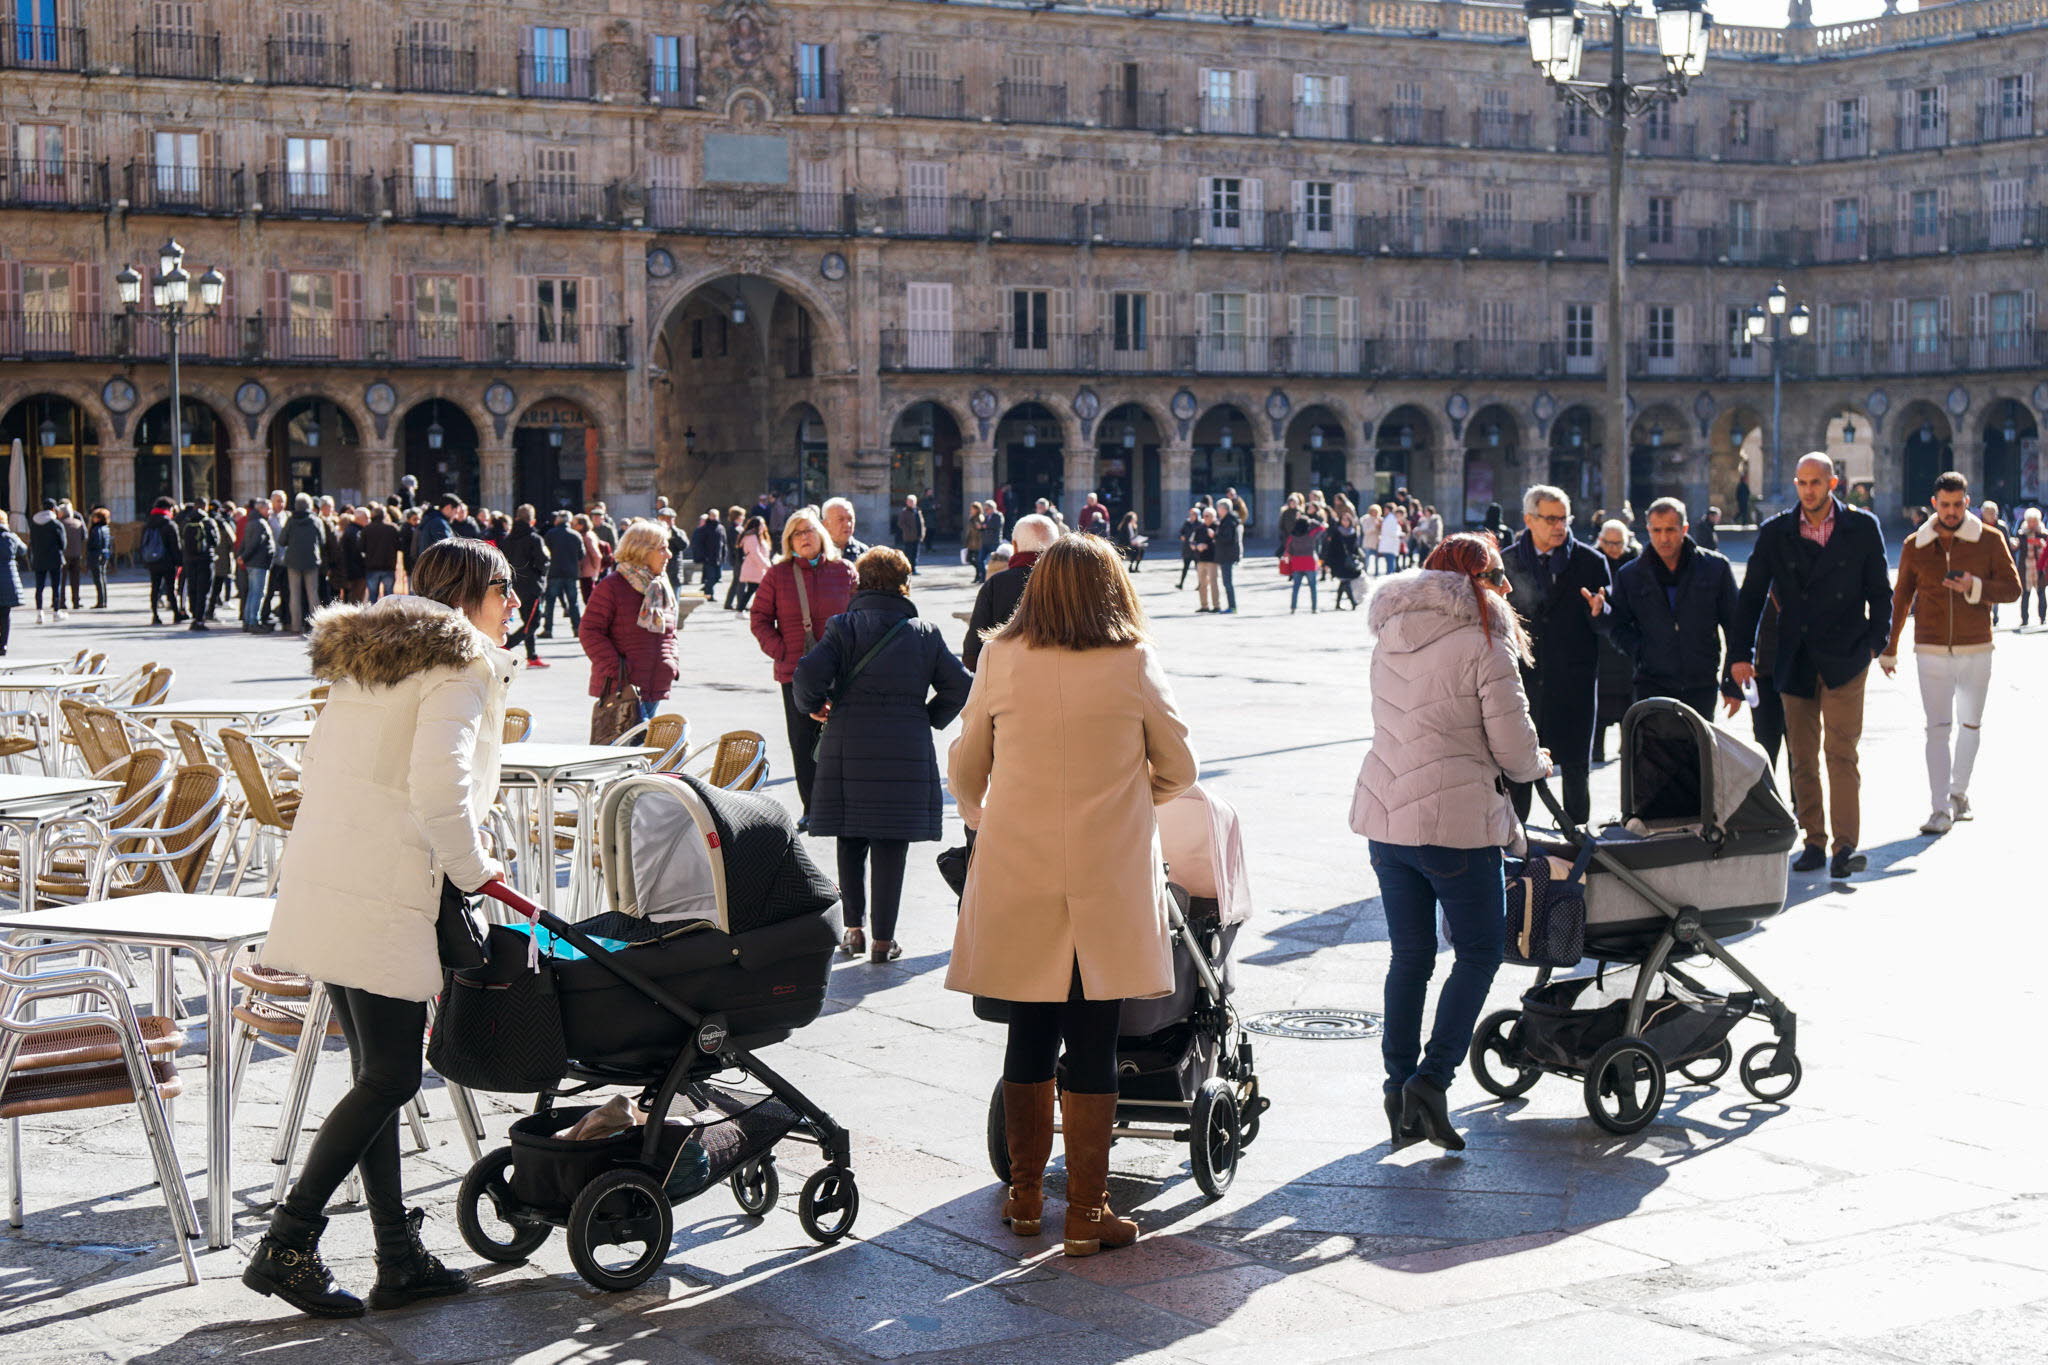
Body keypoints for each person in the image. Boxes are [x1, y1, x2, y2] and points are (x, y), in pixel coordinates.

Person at [246, 537, 517, 1318]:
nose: (515, 607)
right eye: (506, 590)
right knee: (393, 1076)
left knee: (378, 1073)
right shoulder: (459, 661)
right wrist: (476, 870)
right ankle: (289, 1242)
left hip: (333, 874)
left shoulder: (376, 653)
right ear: (474, 591)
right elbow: (440, 786)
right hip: (385, 885)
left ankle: (397, 1255)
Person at [947, 534, 1197, 1257]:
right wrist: (1125, 800)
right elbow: (1179, 767)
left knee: (1027, 1028)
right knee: (1094, 1035)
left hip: (1019, 863)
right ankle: (1087, 1210)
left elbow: (966, 768)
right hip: (1107, 871)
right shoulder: (1133, 661)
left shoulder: (999, 657)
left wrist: (989, 816)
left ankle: (1026, 1198)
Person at [1352, 532, 1548, 1152]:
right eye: (1498, 577)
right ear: (1481, 580)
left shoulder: (1391, 633)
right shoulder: (1485, 644)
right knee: (1480, 950)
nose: (1505, 589)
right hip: (1454, 825)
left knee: (1409, 957)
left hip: (1387, 819)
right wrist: (1538, 763)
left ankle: (1396, 1084)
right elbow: (1515, 753)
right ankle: (1433, 1081)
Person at [794, 546, 972, 963]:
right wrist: (926, 716)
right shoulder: (924, 633)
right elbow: (961, 686)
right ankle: (883, 940)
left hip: (848, 744)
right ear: (903, 583)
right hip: (903, 747)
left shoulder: (842, 627)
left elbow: (806, 674)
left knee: (850, 835)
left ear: (861, 581)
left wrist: (815, 706)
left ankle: (853, 931)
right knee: (891, 841)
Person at [1732, 453, 1892, 880]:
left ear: (1833, 483)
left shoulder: (1861, 527)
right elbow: (1750, 597)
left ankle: (1845, 846)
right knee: (1801, 757)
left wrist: (1877, 641)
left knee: (1841, 752)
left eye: (1816, 482)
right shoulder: (1775, 532)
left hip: (1846, 655)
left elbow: (1880, 588)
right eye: (1801, 482)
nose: (1808, 490)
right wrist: (1739, 655)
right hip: (1796, 654)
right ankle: (1814, 840)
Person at [1879, 472, 2020, 835]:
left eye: (1958, 505)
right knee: (1937, 729)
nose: (1952, 511)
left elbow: (2013, 589)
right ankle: (1939, 808)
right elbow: (1901, 598)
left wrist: (1975, 586)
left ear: (1967, 503)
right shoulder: (1915, 544)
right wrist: (1890, 648)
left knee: (1970, 725)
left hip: (1977, 646)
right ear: (1934, 504)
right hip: (1931, 646)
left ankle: (1959, 793)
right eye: (1945, 505)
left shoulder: (1988, 540)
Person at [1500, 486, 1611, 827]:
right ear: (1529, 520)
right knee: (1518, 767)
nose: (1559, 526)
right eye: (1551, 519)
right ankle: (1515, 842)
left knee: (1576, 767)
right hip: (1523, 682)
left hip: (1572, 681)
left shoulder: (1591, 562)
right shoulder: (1506, 562)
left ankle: (1576, 838)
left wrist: (1600, 611)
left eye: (1564, 518)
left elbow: (1612, 621)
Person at [750, 508, 857, 827]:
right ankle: (812, 808)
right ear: (789, 542)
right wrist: (781, 651)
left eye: (809, 530)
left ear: (821, 534)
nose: (804, 537)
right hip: (795, 672)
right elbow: (759, 619)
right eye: (797, 533)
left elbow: (859, 614)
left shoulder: (845, 570)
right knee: (803, 740)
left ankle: (841, 805)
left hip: (841, 670)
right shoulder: (777, 574)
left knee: (842, 740)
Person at [1591, 498, 1741, 717]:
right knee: (1653, 749)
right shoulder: (1630, 575)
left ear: (1684, 529)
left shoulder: (1715, 568)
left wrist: (1732, 682)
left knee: (1698, 749)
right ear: (1648, 530)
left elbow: (1735, 626)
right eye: (1657, 530)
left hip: (1701, 682)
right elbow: (1617, 624)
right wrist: (1639, 650)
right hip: (1651, 682)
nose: (1664, 538)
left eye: (1670, 530)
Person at [579, 522, 681, 726]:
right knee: (623, 752)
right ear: (642, 551)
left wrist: (671, 661)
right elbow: (589, 631)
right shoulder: (612, 586)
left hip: (655, 684)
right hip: (622, 689)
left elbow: (670, 632)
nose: (669, 554)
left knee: (642, 753)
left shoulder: (660, 586)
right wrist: (619, 670)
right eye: (662, 548)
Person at [961, 512, 1054, 668]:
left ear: (1015, 546)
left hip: (1009, 680)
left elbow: (972, 652)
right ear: (1056, 545)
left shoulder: (996, 584)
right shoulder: (1071, 582)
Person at [1590, 520, 1637, 762]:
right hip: (1600, 640)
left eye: (1618, 543)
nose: (1613, 548)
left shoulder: (1636, 561)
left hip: (1625, 637)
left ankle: (1626, 745)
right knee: (1602, 698)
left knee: (1628, 696)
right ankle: (1596, 747)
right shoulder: (1592, 560)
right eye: (1608, 542)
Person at [501, 505, 551, 668]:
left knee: (527, 620)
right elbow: (543, 562)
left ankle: (532, 655)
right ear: (532, 520)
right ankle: (506, 646)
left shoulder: (508, 539)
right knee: (533, 623)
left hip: (515, 587)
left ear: (516, 519)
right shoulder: (534, 539)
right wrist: (542, 574)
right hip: (531, 586)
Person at [281, 493, 325, 635]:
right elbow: (322, 540)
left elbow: (282, 540)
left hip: (293, 561)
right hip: (311, 560)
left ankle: (296, 625)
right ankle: (316, 626)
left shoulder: (290, 520)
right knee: (313, 594)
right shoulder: (315, 520)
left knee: (294, 594)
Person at [177, 501, 220, 632]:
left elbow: (181, 540)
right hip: (206, 560)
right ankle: (200, 619)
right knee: (204, 590)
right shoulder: (209, 522)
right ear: (205, 507)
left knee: (193, 588)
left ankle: (194, 616)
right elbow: (216, 541)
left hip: (189, 560)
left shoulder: (185, 522)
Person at [540, 510, 585, 633]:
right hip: (571, 573)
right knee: (573, 602)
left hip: (554, 572)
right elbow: (581, 555)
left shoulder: (550, 534)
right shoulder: (576, 535)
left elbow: (544, 552)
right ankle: (577, 628)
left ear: (558, 520)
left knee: (550, 603)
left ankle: (548, 629)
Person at [140, 496, 182, 624]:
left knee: (155, 587)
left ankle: (155, 615)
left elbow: (143, 543)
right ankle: (176, 613)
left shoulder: (147, 524)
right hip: (167, 561)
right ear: (169, 508)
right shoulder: (169, 524)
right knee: (170, 588)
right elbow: (175, 545)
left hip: (152, 561)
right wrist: (179, 561)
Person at [239, 499, 277, 633]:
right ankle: (253, 621)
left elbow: (245, 542)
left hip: (254, 563)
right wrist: (243, 556)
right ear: (261, 509)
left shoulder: (252, 521)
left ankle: (248, 620)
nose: (270, 511)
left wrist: (242, 556)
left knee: (252, 593)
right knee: (257, 593)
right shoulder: (259, 523)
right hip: (258, 563)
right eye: (268, 509)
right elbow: (254, 543)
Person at [29, 499, 64, 623]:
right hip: (55, 558)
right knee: (56, 586)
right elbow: (63, 544)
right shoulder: (56, 524)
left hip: (39, 558)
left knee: (39, 587)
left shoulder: (34, 523)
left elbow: (31, 542)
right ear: (53, 509)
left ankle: (39, 613)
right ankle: (56, 612)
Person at [1324, 508, 1365, 610]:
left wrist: (1358, 558)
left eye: (1347, 520)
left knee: (1344, 582)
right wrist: (1327, 563)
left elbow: (1356, 548)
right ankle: (1353, 603)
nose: (1345, 522)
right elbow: (1331, 548)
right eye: (1343, 520)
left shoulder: (1353, 532)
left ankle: (1338, 604)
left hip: (1350, 560)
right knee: (1345, 581)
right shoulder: (1336, 532)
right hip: (1339, 561)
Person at [1280, 516, 1321, 613]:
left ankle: (1293, 608)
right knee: (1313, 587)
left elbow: (1288, 550)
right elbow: (1322, 527)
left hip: (1297, 563)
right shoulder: (1311, 535)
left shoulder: (1292, 537)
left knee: (1296, 587)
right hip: (1309, 563)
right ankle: (1314, 608)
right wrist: (1312, 521)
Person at [361, 503, 401, 602]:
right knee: (389, 597)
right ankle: (387, 617)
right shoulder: (392, 528)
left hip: (372, 567)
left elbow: (361, 547)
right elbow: (399, 546)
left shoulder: (367, 529)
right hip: (389, 566)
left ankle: (374, 617)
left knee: (373, 597)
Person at [2016, 507, 2048, 628]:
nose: (2032, 524)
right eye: (2030, 521)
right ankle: (2024, 619)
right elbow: (2017, 547)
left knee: (2041, 592)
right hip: (2026, 568)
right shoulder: (2021, 534)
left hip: (2039, 568)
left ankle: (2043, 617)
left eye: (2034, 521)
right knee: (2025, 594)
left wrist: (2042, 545)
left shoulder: (2044, 534)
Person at [734, 515, 772, 611]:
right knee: (757, 590)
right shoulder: (752, 537)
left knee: (753, 590)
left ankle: (742, 609)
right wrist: (767, 565)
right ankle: (743, 609)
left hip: (758, 569)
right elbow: (755, 554)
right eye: (762, 524)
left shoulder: (758, 536)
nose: (764, 526)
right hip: (755, 568)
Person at [1213, 497, 1242, 612]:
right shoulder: (1226, 520)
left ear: (1224, 509)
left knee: (1227, 582)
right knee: (1226, 582)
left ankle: (1232, 606)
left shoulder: (1228, 521)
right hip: (1226, 554)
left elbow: (1227, 539)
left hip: (1227, 555)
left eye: (1219, 508)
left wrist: (1214, 536)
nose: (1217, 510)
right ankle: (1231, 606)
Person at [820, 496, 868, 563]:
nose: (847, 524)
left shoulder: (864, 553)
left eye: (850, 519)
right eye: (840, 519)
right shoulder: (816, 552)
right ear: (825, 524)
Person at [1191, 508, 1222, 612]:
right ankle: (1204, 605)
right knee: (1202, 583)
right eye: (1204, 516)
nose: (1205, 518)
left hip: (1213, 559)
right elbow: (1192, 541)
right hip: (1200, 559)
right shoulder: (1200, 528)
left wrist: (1208, 545)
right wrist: (1197, 546)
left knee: (1213, 582)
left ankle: (1216, 605)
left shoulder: (1217, 527)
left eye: (1208, 516)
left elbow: (1221, 542)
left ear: (1213, 517)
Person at [0, 513, 21, 653]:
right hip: (8, 579)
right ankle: (3, 644)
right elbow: (23, 549)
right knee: (5, 614)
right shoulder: (11, 537)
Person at [58, 501, 85, 611]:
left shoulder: (59, 524)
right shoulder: (79, 523)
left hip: (64, 555)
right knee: (76, 579)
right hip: (77, 554)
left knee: (62, 580)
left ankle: (62, 601)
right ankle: (76, 601)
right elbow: (84, 536)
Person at [85, 507, 113, 610]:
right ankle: (103, 600)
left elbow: (95, 543)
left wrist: (90, 551)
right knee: (103, 578)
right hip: (104, 554)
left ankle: (100, 601)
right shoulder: (106, 528)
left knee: (98, 579)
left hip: (96, 555)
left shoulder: (96, 529)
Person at [895, 495, 926, 573]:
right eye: (910, 501)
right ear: (907, 502)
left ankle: (914, 568)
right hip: (909, 537)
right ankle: (907, 569)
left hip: (918, 536)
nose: (911, 503)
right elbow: (900, 523)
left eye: (913, 501)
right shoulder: (904, 512)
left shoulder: (918, 511)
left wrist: (923, 532)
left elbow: (921, 523)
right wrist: (908, 531)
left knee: (915, 553)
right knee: (909, 553)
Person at [1375, 503, 1406, 576]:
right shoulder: (1391, 519)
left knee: (1390, 566)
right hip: (1389, 546)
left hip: (1389, 546)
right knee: (1391, 568)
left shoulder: (1390, 518)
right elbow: (1392, 533)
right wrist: (1401, 534)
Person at [1176, 507, 1202, 589]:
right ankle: (1181, 584)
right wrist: (1181, 537)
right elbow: (1180, 533)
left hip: (1196, 549)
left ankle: (1200, 584)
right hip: (1187, 548)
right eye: (1190, 514)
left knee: (1198, 568)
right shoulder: (1187, 523)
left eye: (1193, 514)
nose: (1191, 516)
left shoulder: (1200, 524)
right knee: (1185, 567)